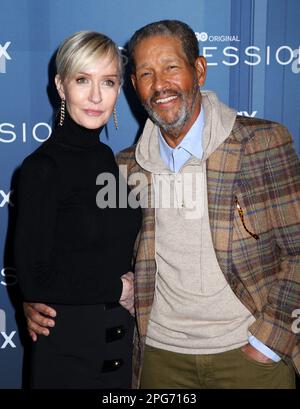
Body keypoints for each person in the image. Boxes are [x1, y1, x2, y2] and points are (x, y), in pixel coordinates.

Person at [23, 20, 300, 389]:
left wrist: (270, 340)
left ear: (198, 70)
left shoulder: (261, 142)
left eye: (171, 67)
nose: (160, 84)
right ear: (135, 86)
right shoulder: (128, 165)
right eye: (146, 73)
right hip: (156, 359)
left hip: (248, 357)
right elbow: (55, 256)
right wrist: (34, 296)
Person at [15, 30, 141, 389]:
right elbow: (36, 277)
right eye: (82, 80)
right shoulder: (42, 168)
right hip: (69, 358)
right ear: (60, 85)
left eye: (109, 82)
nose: (96, 96)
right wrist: (116, 288)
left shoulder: (107, 159)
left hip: (122, 353)